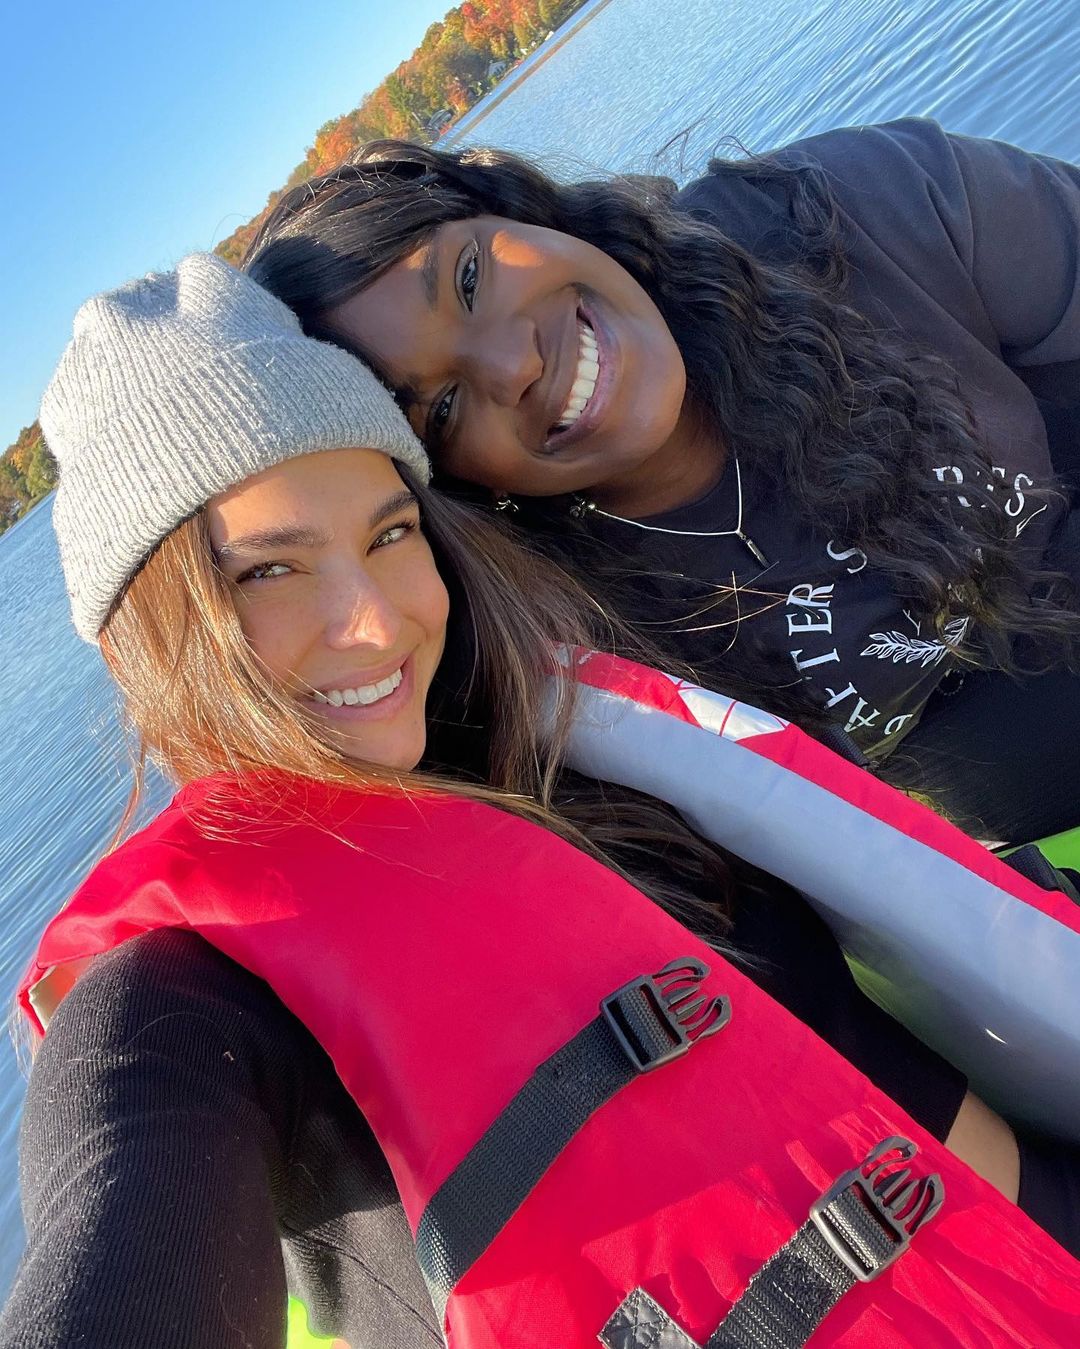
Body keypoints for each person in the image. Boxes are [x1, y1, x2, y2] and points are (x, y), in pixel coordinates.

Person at [3, 253, 1078, 1349]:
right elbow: (115, 1232)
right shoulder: (178, 1003)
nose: (373, 620)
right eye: (267, 572)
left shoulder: (551, 734)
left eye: (389, 533)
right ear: (156, 641)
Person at [242, 118, 1080, 846]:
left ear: (515, 208)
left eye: (468, 278)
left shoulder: (855, 213)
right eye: (446, 407)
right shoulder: (563, 640)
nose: (512, 364)